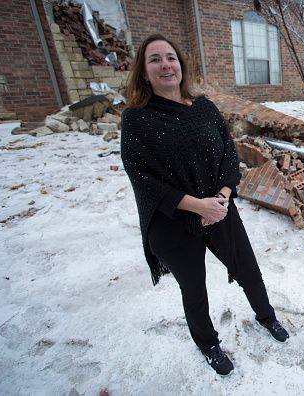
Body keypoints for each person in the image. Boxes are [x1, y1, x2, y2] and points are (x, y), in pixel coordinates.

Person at [121, 33, 289, 376]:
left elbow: (229, 155)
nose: (165, 65)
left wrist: (223, 197)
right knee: (194, 288)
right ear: (144, 71)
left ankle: (266, 317)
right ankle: (208, 344)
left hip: (220, 208)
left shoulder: (204, 108)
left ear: (181, 64)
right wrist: (199, 207)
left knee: (249, 271)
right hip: (173, 221)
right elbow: (144, 179)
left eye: (171, 57)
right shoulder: (137, 120)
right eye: (155, 59)